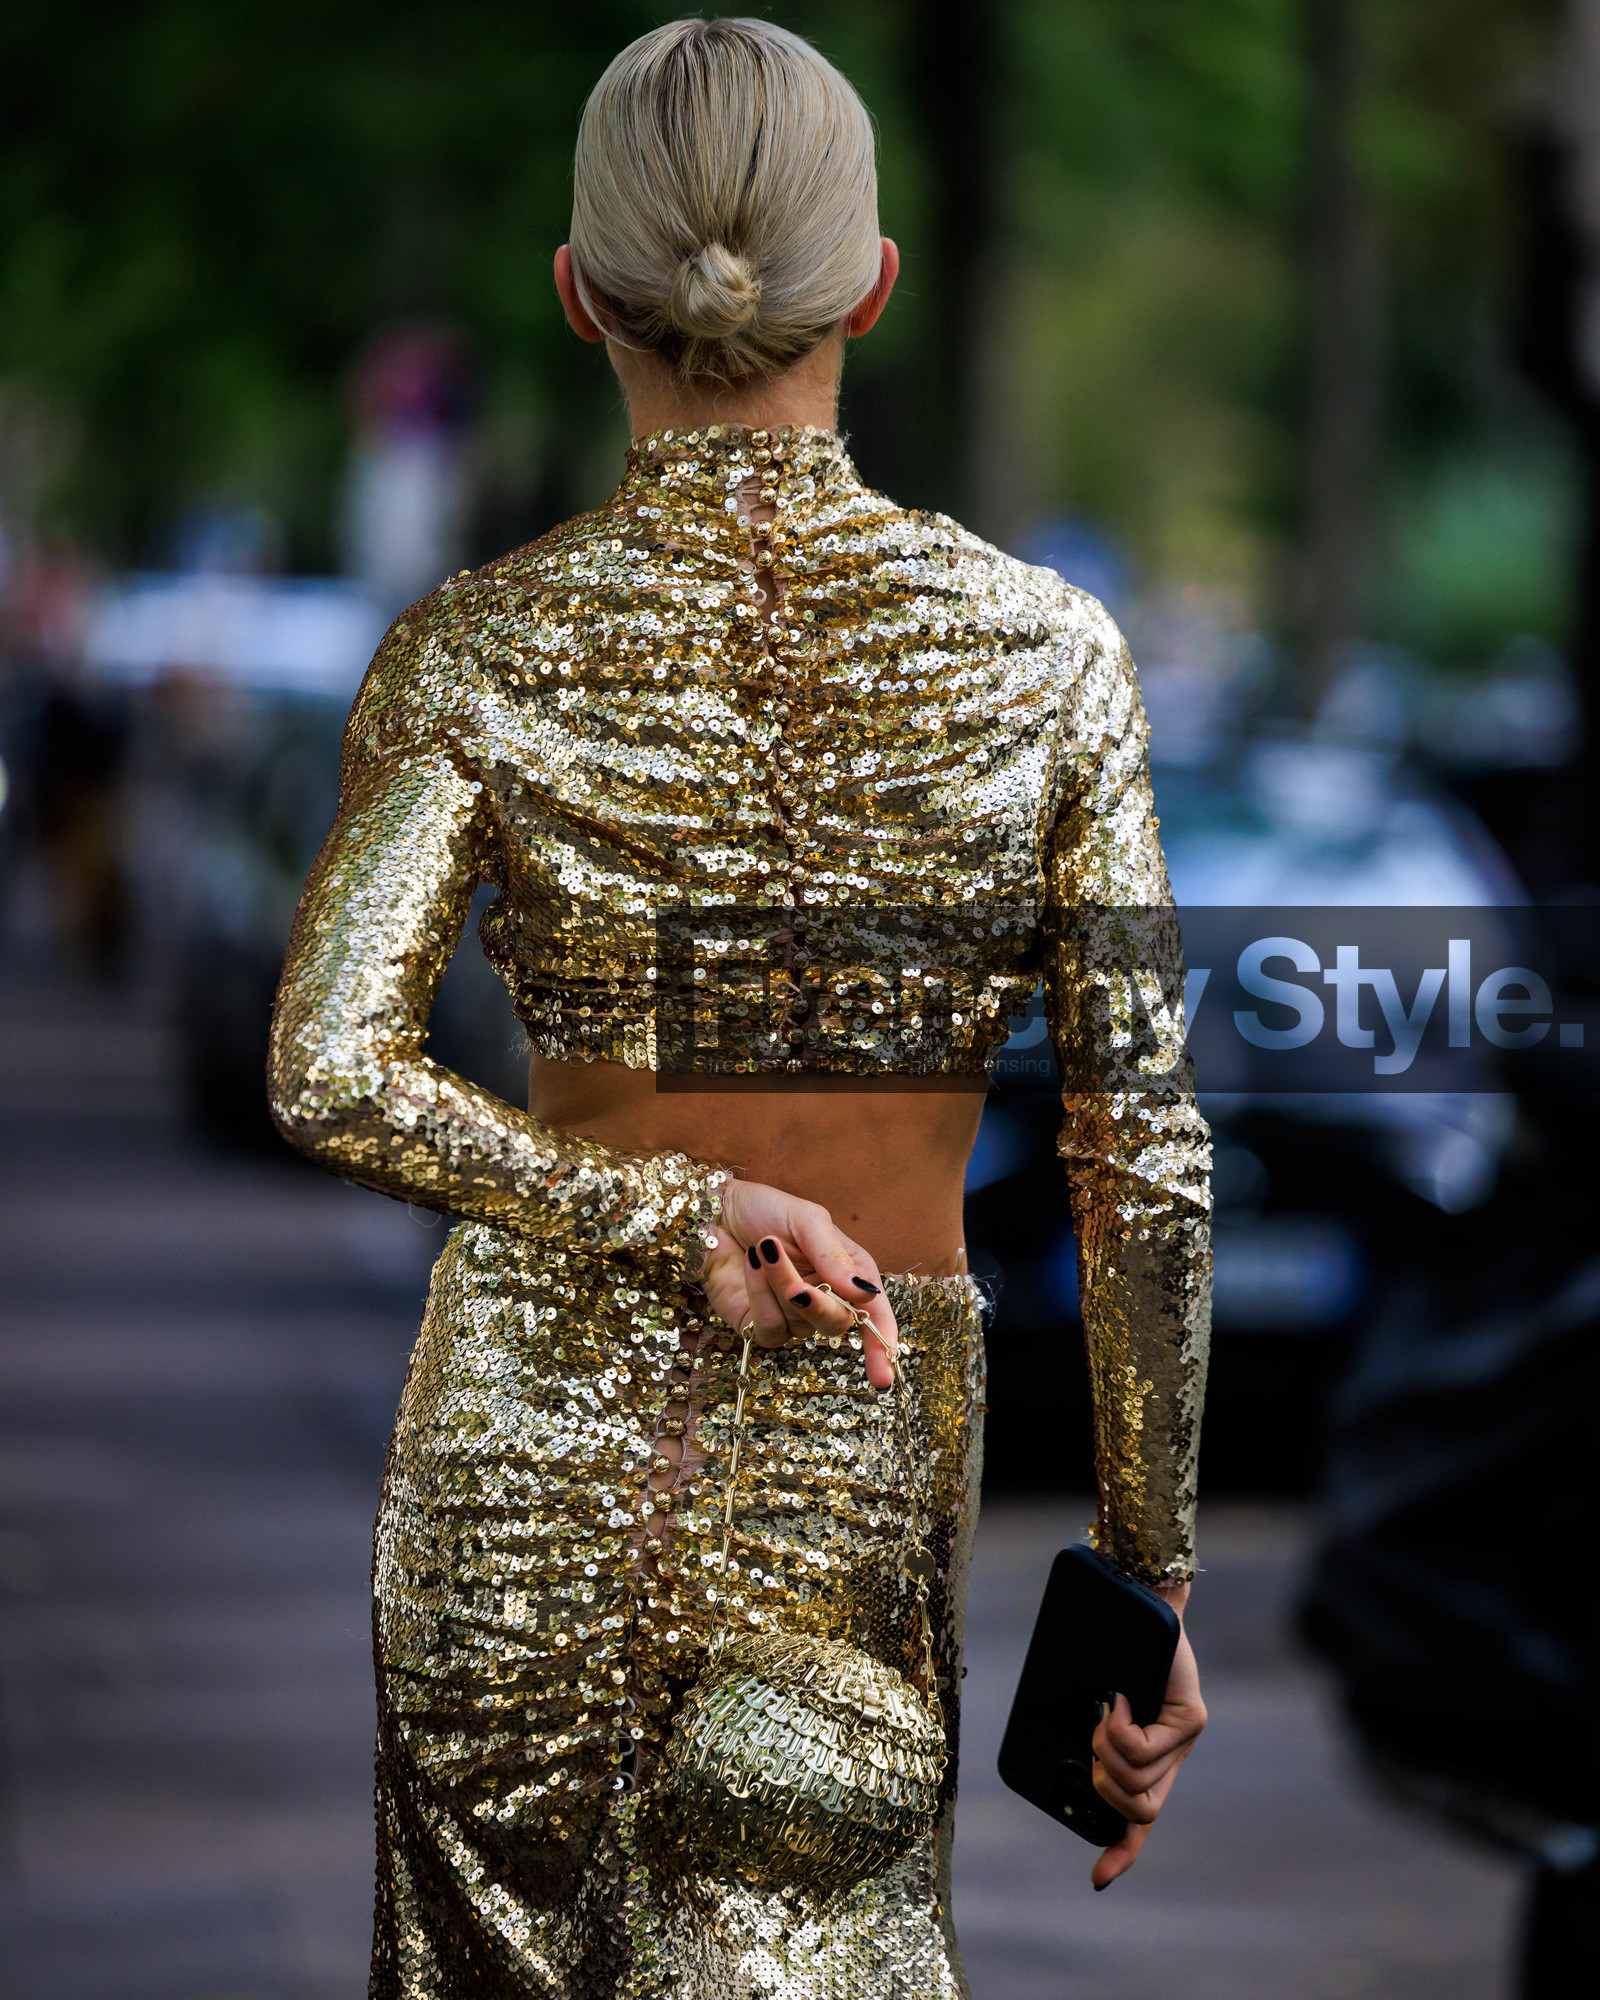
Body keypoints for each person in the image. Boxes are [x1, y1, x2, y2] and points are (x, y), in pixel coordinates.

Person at [268, 18, 1211, 1996]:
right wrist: (1146, 1569)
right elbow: (1139, 1152)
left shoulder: (474, 650)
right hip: (844, 1469)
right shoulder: (1048, 665)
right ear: (868, 287)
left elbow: (327, 1064)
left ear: (575, 296)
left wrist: (657, 1210)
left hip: (508, 1469)